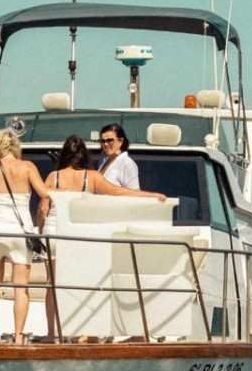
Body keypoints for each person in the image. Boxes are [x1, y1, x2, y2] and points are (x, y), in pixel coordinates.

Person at [40, 134, 167, 335]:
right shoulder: (92, 177)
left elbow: (42, 209)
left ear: (64, 155)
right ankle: (77, 331)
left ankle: (51, 333)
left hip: (52, 232)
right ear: (84, 156)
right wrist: (152, 195)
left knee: (52, 284)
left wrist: (40, 233)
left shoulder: (52, 177)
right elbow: (122, 193)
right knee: (80, 282)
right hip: (75, 233)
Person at [0, 127, 48, 343]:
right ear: (17, 147)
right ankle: (18, 336)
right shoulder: (27, 167)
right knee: (21, 287)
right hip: (20, 231)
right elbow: (44, 194)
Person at [97, 123, 139, 188]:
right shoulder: (103, 160)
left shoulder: (127, 164)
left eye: (110, 140)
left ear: (121, 141)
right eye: (102, 141)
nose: (105, 144)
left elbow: (135, 193)